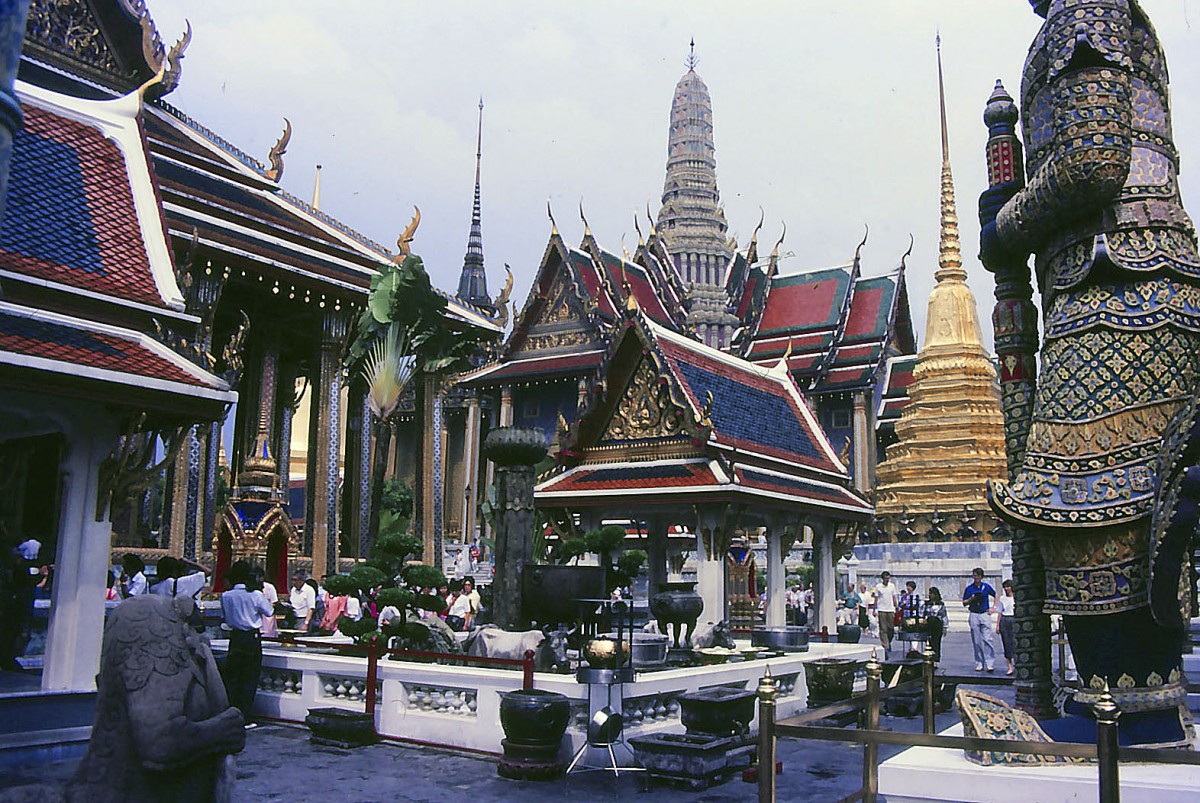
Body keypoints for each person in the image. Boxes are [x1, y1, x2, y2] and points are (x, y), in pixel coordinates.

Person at [220, 559, 274, 724]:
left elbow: (225, 617)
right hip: (251, 638)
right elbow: (269, 611)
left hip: (235, 638)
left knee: (234, 677)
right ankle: (244, 716)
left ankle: (232, 713)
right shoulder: (255, 595)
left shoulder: (226, 595)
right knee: (249, 678)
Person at [962, 567, 997, 672]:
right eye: (974, 575)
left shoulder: (986, 587)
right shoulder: (969, 588)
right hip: (974, 613)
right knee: (976, 641)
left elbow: (996, 595)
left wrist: (993, 607)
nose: (976, 577)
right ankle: (979, 662)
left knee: (987, 639)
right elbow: (964, 602)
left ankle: (990, 662)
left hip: (984, 613)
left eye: (978, 575)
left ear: (981, 577)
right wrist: (971, 599)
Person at [872, 571, 900, 655]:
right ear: (883, 578)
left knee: (891, 628)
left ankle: (888, 641)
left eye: (888, 578)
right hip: (882, 609)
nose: (887, 580)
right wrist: (874, 609)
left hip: (890, 609)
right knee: (883, 629)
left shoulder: (892, 586)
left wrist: (896, 607)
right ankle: (885, 645)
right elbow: (876, 599)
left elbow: (894, 597)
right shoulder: (878, 587)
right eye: (886, 578)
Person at [923, 587, 949, 662]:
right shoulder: (927, 604)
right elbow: (924, 613)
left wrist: (945, 627)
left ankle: (936, 659)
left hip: (938, 625)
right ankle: (929, 658)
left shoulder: (941, 604)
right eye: (929, 593)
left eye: (932, 593)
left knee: (937, 642)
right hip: (929, 624)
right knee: (930, 642)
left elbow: (944, 616)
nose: (930, 595)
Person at [997, 579, 1017, 675]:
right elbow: (1000, 612)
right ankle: (1009, 666)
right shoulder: (1002, 599)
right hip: (1005, 620)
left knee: (1015, 642)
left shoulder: (1016, 598)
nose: (1006, 589)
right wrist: (998, 625)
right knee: (1006, 643)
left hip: (1013, 619)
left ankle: (1017, 665)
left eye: (1008, 586)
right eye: (1005, 587)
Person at [259, 570, 279, 637]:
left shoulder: (269, 587)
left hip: (267, 615)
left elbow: (274, 602)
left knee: (268, 635)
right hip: (257, 615)